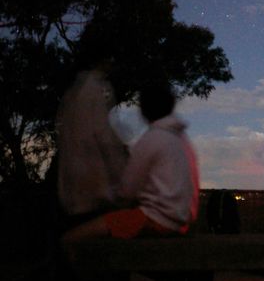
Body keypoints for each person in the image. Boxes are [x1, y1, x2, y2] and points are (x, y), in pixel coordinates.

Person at [63, 81, 200, 241]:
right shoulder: (180, 140)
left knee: (72, 238)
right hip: (178, 221)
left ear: (144, 109)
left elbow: (127, 191)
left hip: (153, 219)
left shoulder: (151, 139)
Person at [56, 54, 128, 227]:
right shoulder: (98, 88)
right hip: (91, 167)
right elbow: (101, 129)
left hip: (76, 165)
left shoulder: (76, 88)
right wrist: (118, 164)